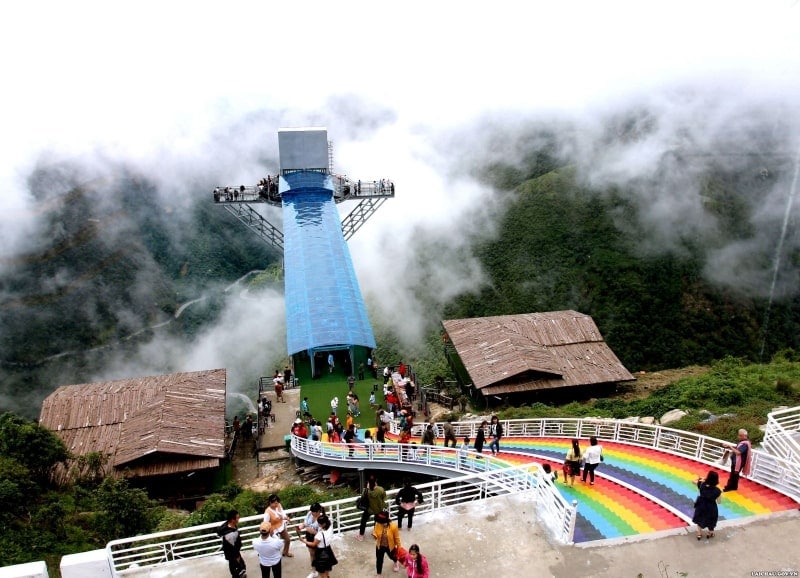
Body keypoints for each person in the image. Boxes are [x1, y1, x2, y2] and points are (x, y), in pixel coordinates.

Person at [299, 513, 335, 578]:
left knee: (322, 573)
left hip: (321, 552)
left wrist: (303, 541)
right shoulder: (330, 526)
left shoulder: (319, 535)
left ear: (323, 524)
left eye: (319, 523)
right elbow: (327, 517)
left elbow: (313, 544)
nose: (318, 525)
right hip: (328, 549)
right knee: (327, 569)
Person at [692, 470, 722, 539]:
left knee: (700, 519)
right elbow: (719, 502)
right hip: (711, 507)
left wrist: (700, 479)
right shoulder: (717, 490)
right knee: (711, 520)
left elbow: (693, 481)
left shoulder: (702, 485)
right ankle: (710, 533)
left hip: (701, 505)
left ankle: (699, 534)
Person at [217, 509, 246, 578]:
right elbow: (233, 548)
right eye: (237, 518)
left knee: (236, 567)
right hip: (233, 554)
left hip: (231, 553)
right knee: (238, 568)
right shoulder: (230, 534)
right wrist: (237, 557)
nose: (239, 519)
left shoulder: (229, 524)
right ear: (232, 520)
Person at [357, 474, 387, 541]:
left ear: (368, 482)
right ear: (376, 482)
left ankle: (361, 536)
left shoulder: (366, 491)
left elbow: (362, 499)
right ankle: (375, 534)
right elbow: (384, 497)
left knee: (363, 521)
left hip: (369, 510)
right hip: (379, 509)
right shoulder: (381, 489)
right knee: (376, 522)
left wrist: (367, 489)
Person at [297, 503, 325, 575]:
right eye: (311, 511)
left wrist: (314, 532)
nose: (312, 513)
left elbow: (323, 534)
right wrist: (301, 526)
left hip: (318, 538)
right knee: (311, 553)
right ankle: (314, 569)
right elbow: (305, 523)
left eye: (314, 512)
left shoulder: (322, 519)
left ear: (318, 511)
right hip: (309, 536)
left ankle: (320, 566)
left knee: (319, 553)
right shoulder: (309, 513)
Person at [372, 510, 402, 577]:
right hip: (380, 546)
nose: (380, 524)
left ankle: (396, 562)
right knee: (379, 560)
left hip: (390, 546)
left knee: (392, 556)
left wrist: (399, 548)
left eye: (381, 522)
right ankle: (379, 574)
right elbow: (375, 531)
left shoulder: (393, 526)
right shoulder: (378, 524)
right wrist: (375, 535)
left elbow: (397, 538)